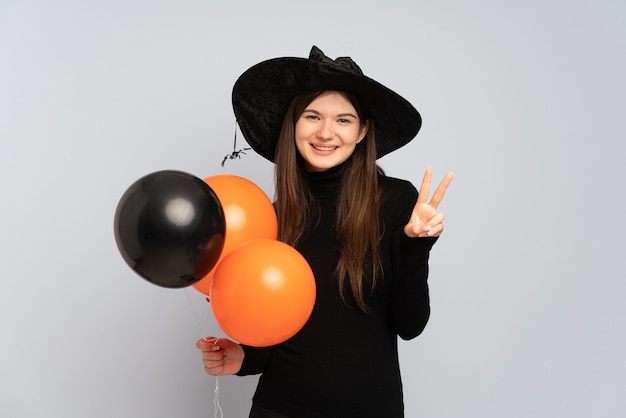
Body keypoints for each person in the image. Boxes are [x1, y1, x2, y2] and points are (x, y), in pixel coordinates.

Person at [196, 46, 453, 418]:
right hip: (278, 407)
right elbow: (280, 322)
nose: (326, 133)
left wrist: (417, 248)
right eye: (312, 116)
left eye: (344, 120)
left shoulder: (396, 200)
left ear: (364, 131)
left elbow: (410, 325)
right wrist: (244, 357)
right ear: (293, 124)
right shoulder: (271, 217)